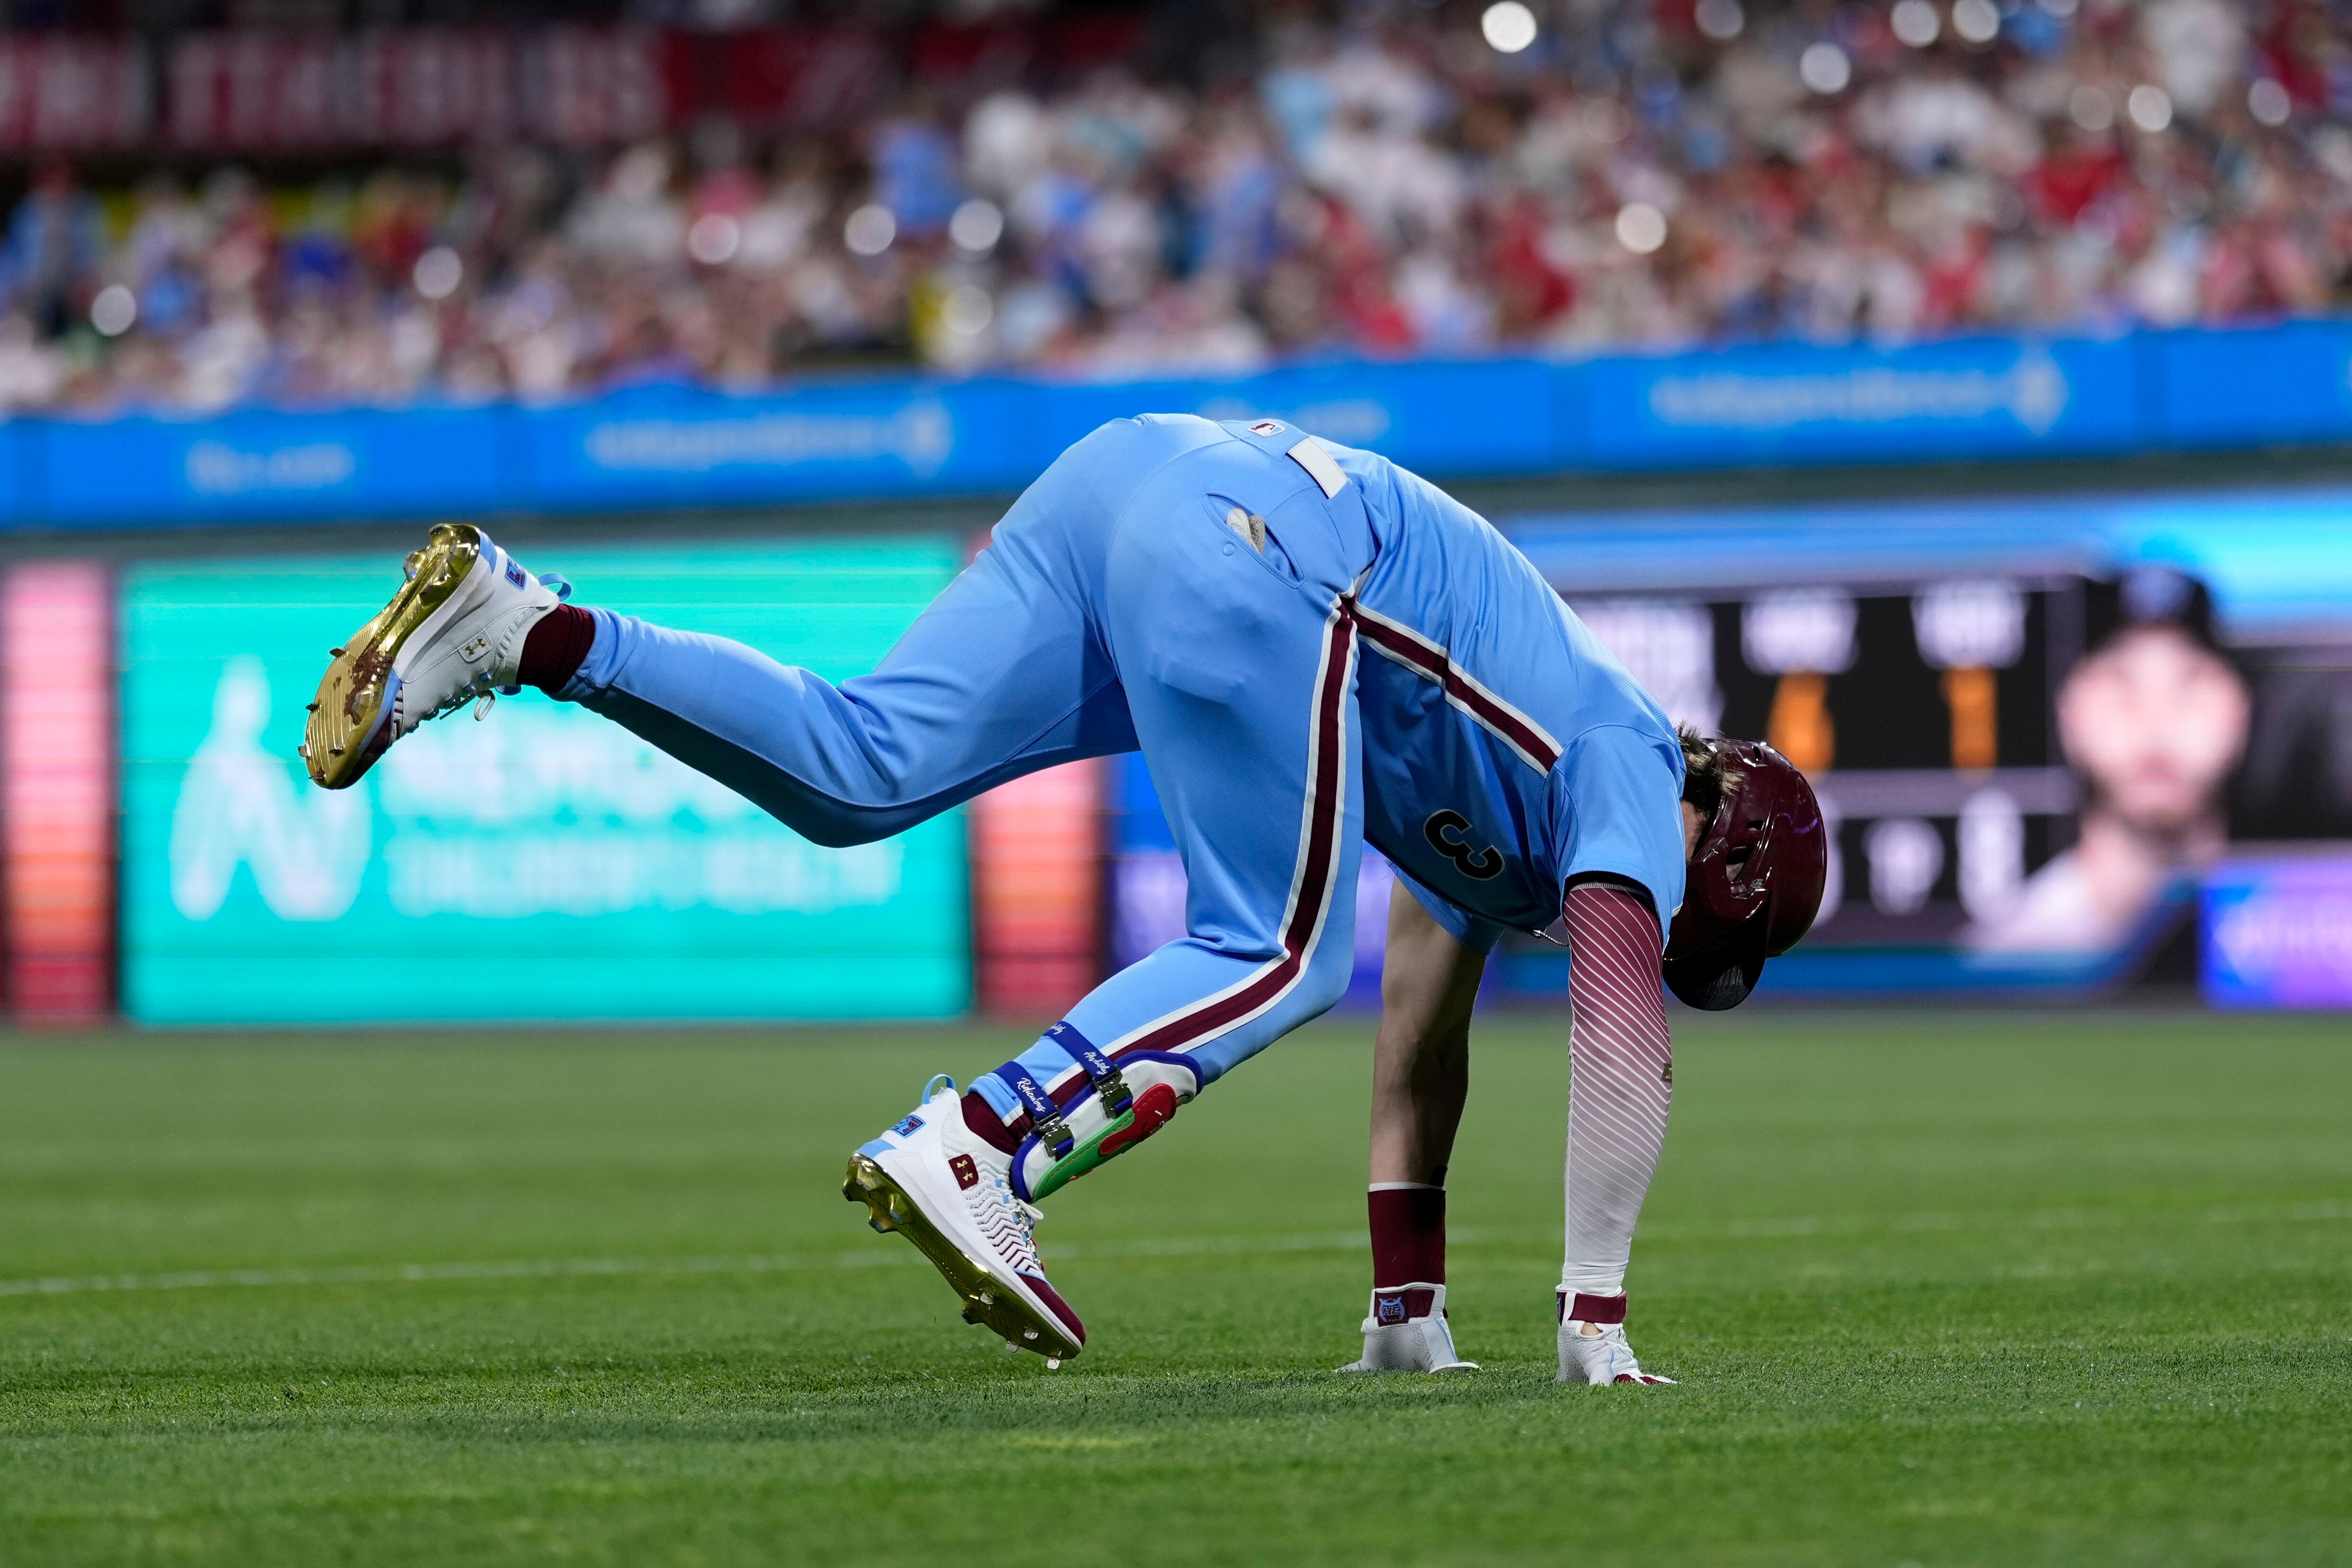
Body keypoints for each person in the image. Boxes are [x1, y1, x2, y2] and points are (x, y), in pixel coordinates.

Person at [301, 414, 1825, 1381]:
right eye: (1704, 931)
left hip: (1129, 479)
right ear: (1729, 856)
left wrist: (1405, 1307)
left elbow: (1424, 1038)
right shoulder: (1631, 760)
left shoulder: (1526, 804)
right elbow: (1619, 1045)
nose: (1665, 940)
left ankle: (533, 630)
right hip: (1268, 550)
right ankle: (985, 1139)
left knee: (858, 768)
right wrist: (1594, 1316)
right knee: (1278, 949)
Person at [1967, 570, 2248, 956]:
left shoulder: (2298, 937)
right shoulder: (2014, 957)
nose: (2156, 723)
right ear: (2070, 714)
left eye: (2189, 684)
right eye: (2121, 685)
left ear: (2238, 711)